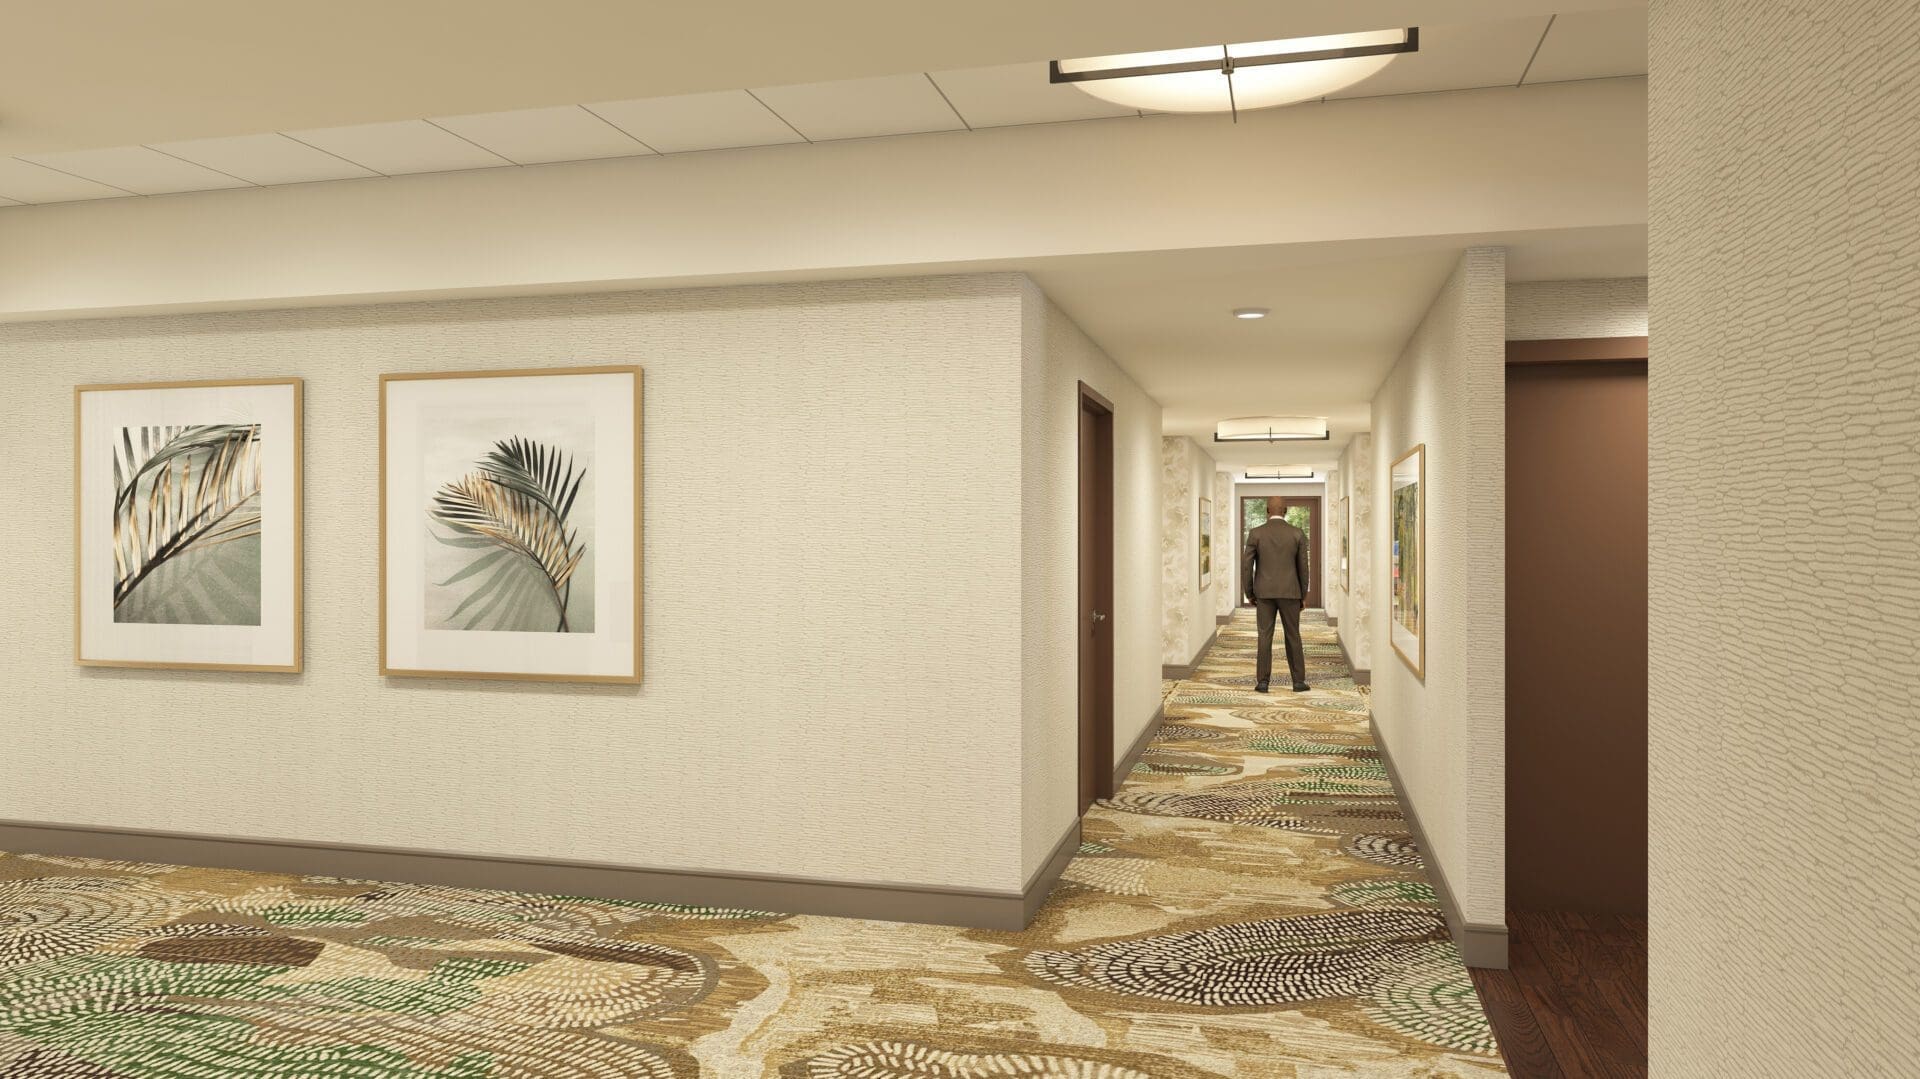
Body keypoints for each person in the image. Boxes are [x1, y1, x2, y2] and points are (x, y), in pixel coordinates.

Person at [1242, 510, 1311, 693]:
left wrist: (1249, 592)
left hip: (1264, 593)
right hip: (1290, 592)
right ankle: (1298, 682)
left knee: (1264, 636)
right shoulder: (1297, 533)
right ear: (1285, 512)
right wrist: (1303, 595)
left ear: (1266, 511)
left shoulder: (1256, 533)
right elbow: (1304, 567)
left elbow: (1247, 566)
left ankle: (1262, 682)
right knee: (1293, 635)